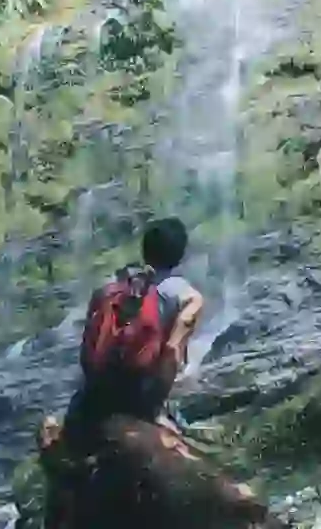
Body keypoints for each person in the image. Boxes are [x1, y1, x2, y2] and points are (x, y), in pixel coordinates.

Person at [43, 218, 205, 526]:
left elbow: (91, 347)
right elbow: (171, 352)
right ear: (181, 255)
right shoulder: (184, 294)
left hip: (90, 401)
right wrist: (154, 409)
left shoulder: (113, 287)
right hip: (136, 401)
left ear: (145, 251)